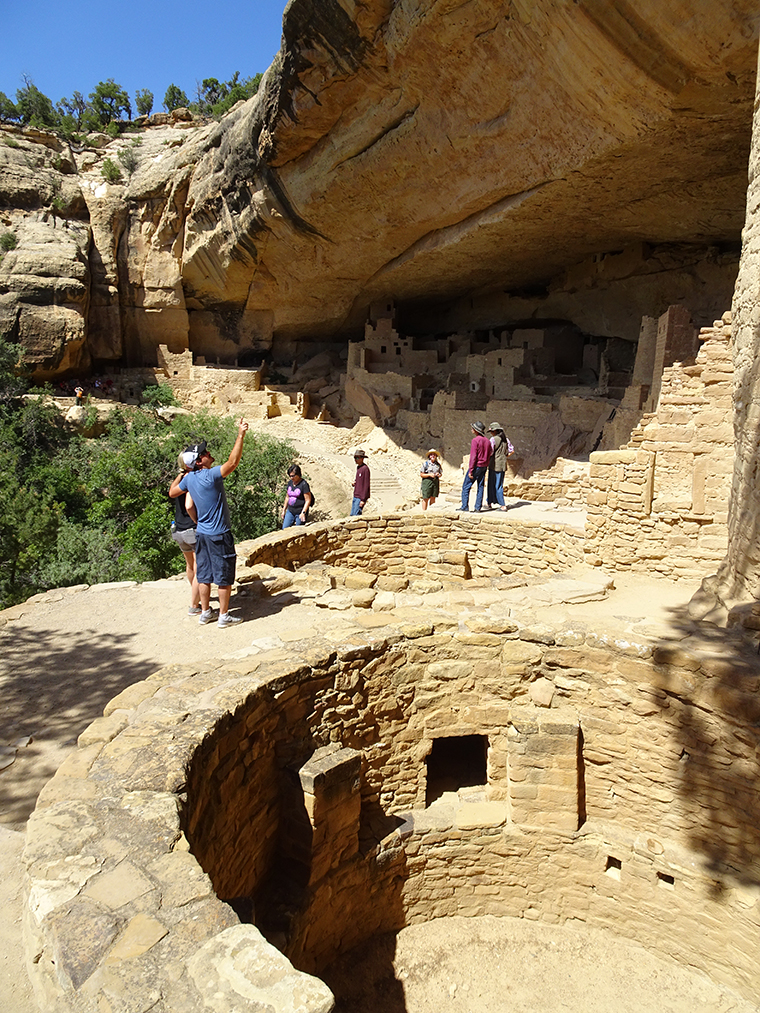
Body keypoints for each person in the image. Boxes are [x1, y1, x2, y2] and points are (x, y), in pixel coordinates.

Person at [169, 418, 248, 628]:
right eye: (203, 454)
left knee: (203, 574)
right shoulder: (210, 476)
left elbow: (172, 492)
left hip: (201, 533)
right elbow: (233, 463)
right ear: (198, 461)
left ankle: (205, 613)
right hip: (219, 533)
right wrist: (240, 435)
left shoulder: (189, 479)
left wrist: (183, 473)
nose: (208, 453)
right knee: (223, 575)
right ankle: (223, 616)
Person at [171, 450, 201, 615]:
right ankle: (194, 605)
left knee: (189, 565)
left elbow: (171, 491)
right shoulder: (190, 480)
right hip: (191, 528)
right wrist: (196, 520)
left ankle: (195, 594)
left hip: (178, 530)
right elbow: (189, 505)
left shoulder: (179, 480)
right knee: (199, 567)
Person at [460, 420, 491, 512]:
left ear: (476, 430)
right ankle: (478, 507)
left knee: (466, 486)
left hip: (476, 466)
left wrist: (471, 470)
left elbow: (473, 456)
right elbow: (490, 453)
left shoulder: (475, 440)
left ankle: (465, 506)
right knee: (480, 486)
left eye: (473, 428)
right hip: (484, 466)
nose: (471, 429)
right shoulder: (487, 441)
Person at [486, 422, 514, 511]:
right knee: (499, 484)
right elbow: (511, 450)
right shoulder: (506, 440)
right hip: (502, 464)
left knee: (492, 484)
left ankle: (501, 505)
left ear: (494, 431)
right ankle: (491, 501)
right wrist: (505, 456)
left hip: (494, 464)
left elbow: (490, 452)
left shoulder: (493, 440)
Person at [351, 449, 371, 515]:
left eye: (357, 458)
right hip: (356, 495)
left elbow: (366, 485)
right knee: (352, 515)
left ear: (362, 458)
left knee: (356, 515)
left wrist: (363, 499)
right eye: (355, 458)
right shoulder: (359, 468)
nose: (355, 459)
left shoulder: (365, 469)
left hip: (360, 497)